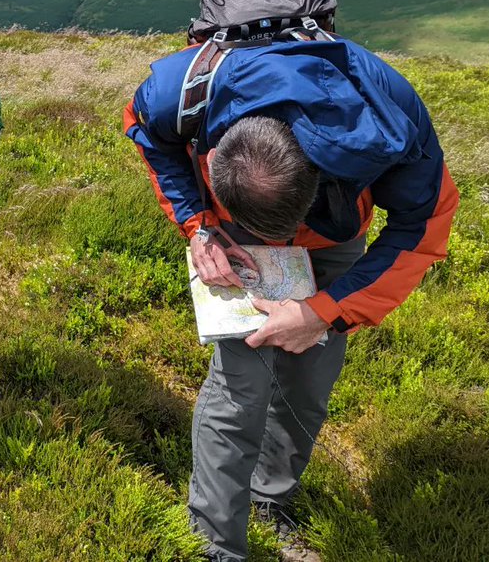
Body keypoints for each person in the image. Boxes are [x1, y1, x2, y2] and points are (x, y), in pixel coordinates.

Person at [123, 32, 459, 561]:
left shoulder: (388, 121)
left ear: (323, 177)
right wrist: (200, 226)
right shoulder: (181, 91)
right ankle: (217, 546)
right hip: (234, 229)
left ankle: (269, 498)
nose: (278, 246)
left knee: (310, 373)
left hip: (336, 238)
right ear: (214, 160)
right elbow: (145, 131)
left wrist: (324, 312)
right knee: (240, 388)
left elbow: (424, 224)